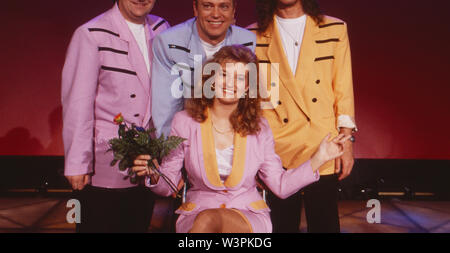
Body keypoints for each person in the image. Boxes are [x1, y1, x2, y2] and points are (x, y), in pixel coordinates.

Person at [132, 45, 350, 233]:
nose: (230, 83)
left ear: (247, 88)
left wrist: (319, 158)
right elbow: (167, 185)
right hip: (197, 212)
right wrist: (154, 174)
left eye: (239, 78)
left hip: (248, 215)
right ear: (212, 79)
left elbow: (281, 186)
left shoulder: (260, 128)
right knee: (206, 220)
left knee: (210, 221)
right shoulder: (184, 122)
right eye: (224, 74)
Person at [248, 0, 357, 233]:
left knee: (325, 225)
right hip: (275, 149)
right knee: (280, 227)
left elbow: (343, 91)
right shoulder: (251, 36)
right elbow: (253, 101)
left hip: (323, 143)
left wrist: (347, 145)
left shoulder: (334, 29)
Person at [61, 0, 170, 232]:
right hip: (105, 161)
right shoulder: (91, 34)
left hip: (147, 160)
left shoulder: (162, 29)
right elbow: (78, 104)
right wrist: (77, 162)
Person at [151, 0, 256, 139]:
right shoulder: (168, 42)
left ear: (233, 10)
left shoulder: (249, 42)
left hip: (235, 138)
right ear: (195, 8)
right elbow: (165, 109)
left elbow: (252, 103)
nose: (216, 14)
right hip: (186, 138)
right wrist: (168, 153)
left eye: (224, 6)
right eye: (207, 6)